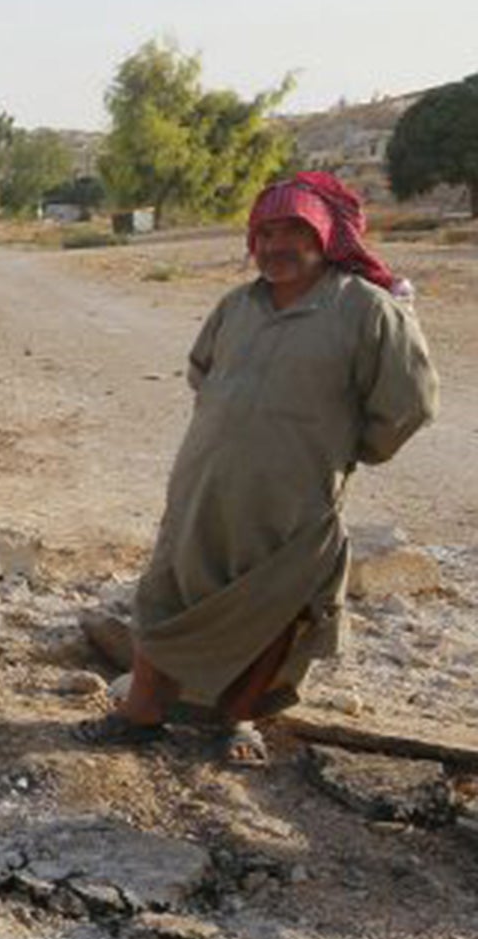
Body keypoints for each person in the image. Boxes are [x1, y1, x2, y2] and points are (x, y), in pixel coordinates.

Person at [78, 171, 438, 766]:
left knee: (275, 613)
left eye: (292, 230)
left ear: (324, 234)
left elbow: (410, 404)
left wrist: (344, 447)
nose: (274, 246)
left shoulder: (368, 311)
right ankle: (139, 716)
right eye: (264, 232)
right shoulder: (237, 305)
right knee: (166, 595)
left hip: (294, 502)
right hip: (203, 488)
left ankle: (236, 720)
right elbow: (202, 372)